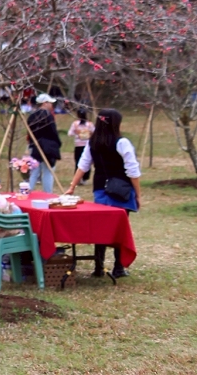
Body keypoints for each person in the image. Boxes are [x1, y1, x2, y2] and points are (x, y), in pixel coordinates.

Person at [65, 109, 141, 279]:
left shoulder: (92, 143)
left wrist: (72, 186)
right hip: (121, 191)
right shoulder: (122, 142)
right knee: (119, 230)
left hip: (100, 190)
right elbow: (132, 170)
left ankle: (98, 268)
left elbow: (83, 165)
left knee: (100, 229)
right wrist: (138, 195)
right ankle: (118, 268)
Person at [26, 94, 62, 193]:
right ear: (45, 103)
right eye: (50, 103)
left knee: (34, 171)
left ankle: (28, 191)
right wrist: (57, 143)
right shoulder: (48, 115)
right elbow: (53, 131)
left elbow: (29, 131)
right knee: (48, 172)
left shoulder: (32, 116)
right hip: (48, 147)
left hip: (35, 146)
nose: (52, 105)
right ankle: (47, 194)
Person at [68, 109, 95, 184]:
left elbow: (70, 133)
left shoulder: (75, 124)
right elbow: (95, 132)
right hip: (87, 145)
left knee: (78, 161)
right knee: (87, 161)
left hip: (78, 145)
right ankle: (85, 178)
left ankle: (78, 178)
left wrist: (76, 132)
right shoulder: (90, 124)